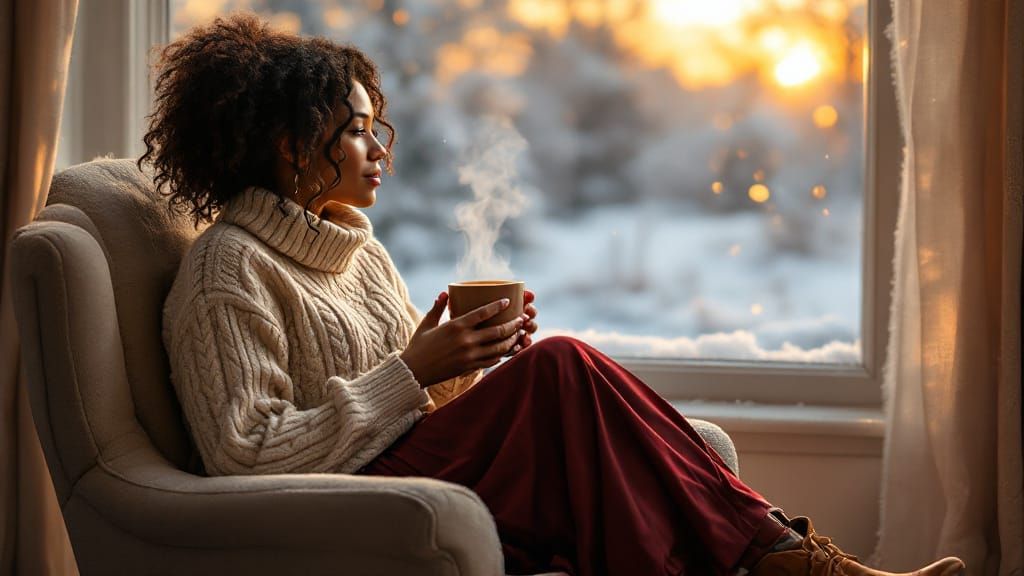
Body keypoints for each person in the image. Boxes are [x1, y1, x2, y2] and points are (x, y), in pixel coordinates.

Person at [148, 13, 965, 576]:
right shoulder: (229, 270)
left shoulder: (356, 256)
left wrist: (455, 364)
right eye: (358, 129)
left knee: (567, 385)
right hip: (344, 505)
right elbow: (242, 456)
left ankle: (790, 561)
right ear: (293, 146)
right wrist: (410, 369)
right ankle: (795, 565)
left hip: (396, 469)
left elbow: (414, 409)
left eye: (375, 127)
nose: (378, 150)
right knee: (566, 368)